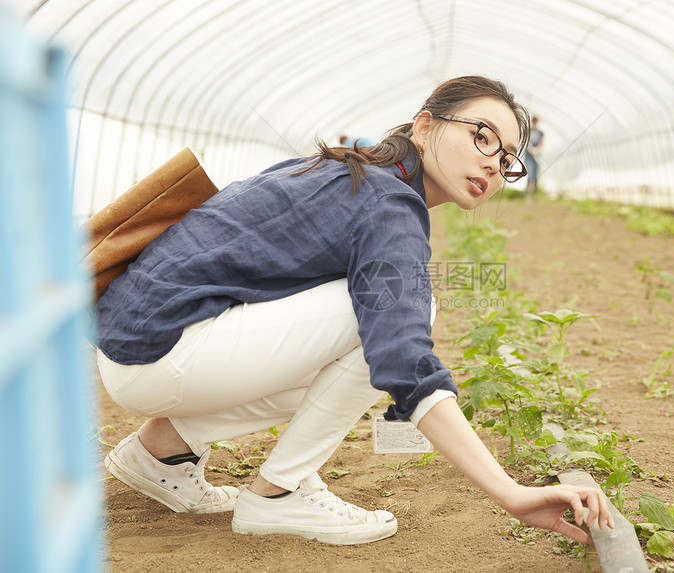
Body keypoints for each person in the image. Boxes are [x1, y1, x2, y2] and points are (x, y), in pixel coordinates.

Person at [96, 76, 614, 546]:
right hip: (163, 352)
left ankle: (162, 450)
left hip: (137, 341)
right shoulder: (388, 203)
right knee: (400, 311)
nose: (492, 164)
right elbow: (403, 357)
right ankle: (280, 494)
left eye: (506, 159)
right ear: (425, 126)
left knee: (362, 325)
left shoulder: (345, 168)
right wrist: (508, 491)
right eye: (482, 135)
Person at [523, 116, 544, 196]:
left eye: (536, 121)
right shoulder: (528, 132)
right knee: (529, 172)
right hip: (528, 155)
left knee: (535, 173)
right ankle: (527, 193)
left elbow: (542, 144)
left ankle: (535, 194)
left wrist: (536, 150)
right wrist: (530, 150)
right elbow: (525, 142)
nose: (535, 123)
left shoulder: (540, 133)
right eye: (534, 121)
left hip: (537, 155)